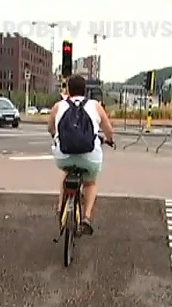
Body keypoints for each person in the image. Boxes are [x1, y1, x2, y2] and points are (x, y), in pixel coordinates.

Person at [47, 74, 115, 236]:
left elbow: (50, 128)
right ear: (85, 91)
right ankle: (86, 217)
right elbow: (109, 131)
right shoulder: (95, 106)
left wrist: (56, 136)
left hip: (64, 155)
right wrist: (109, 140)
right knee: (90, 183)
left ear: (68, 90)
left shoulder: (59, 106)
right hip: (89, 156)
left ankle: (60, 209)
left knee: (65, 173)